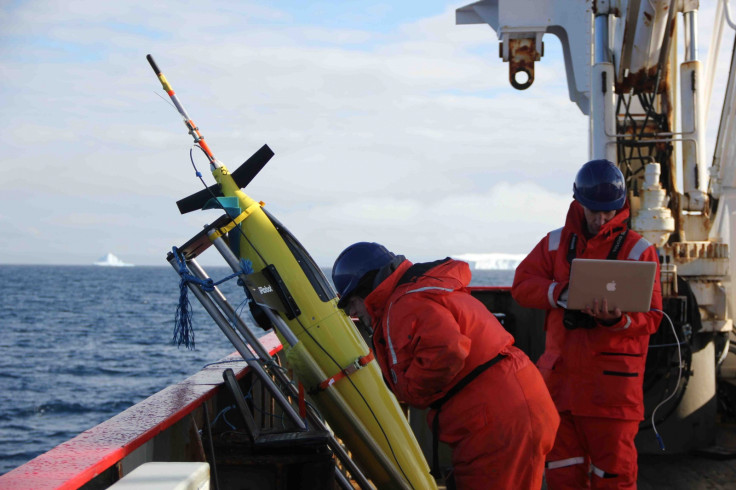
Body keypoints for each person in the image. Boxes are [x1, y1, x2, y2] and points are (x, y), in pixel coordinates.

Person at [332, 242, 559, 490]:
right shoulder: (417, 292)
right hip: (510, 406)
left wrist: (411, 391)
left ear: (369, 287)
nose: (352, 311)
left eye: (352, 301)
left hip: (498, 419)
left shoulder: (406, 304)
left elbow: (448, 349)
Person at [511, 159, 663, 489]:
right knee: (563, 473)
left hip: (611, 394)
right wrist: (559, 293)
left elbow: (651, 317)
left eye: (609, 211)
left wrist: (617, 319)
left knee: (614, 477)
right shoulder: (554, 243)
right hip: (561, 387)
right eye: (594, 210)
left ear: (621, 205)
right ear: (578, 203)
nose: (601, 218)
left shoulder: (640, 250)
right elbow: (522, 285)